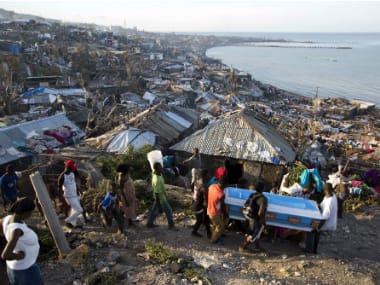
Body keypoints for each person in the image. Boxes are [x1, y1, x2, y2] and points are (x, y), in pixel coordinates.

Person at [0, 197, 43, 285]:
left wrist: (6, 237)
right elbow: (5, 255)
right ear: (26, 212)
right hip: (25, 269)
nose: (30, 215)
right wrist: (19, 256)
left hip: (16, 268)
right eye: (31, 212)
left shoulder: (7, 219)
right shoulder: (17, 229)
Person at [302, 182, 338, 253]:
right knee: (315, 229)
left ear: (325, 190)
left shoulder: (330, 201)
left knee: (311, 228)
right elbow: (322, 205)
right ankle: (314, 250)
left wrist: (318, 227)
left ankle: (309, 249)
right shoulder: (332, 195)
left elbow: (325, 217)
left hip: (327, 222)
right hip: (326, 219)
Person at [146, 162, 177, 230]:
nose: (162, 168)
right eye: (160, 168)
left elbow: (155, 169)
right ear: (157, 169)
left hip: (159, 197)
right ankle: (171, 226)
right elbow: (157, 194)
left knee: (154, 211)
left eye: (161, 167)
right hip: (161, 199)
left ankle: (149, 223)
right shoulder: (157, 180)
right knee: (169, 210)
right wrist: (160, 206)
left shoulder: (155, 174)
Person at [239, 181, 268, 252]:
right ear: (263, 188)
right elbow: (261, 212)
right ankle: (243, 247)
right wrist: (263, 221)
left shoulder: (252, 195)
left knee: (256, 232)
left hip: (248, 216)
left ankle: (257, 247)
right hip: (254, 218)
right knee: (253, 234)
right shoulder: (263, 199)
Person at [58, 160, 83, 228]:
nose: (73, 170)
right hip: (69, 197)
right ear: (67, 167)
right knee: (80, 210)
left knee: (74, 210)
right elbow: (59, 188)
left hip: (74, 195)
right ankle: (67, 221)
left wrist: (79, 190)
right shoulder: (62, 177)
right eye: (72, 169)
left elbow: (74, 183)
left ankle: (72, 224)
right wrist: (60, 199)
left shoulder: (72, 174)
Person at [207, 175, 228, 245]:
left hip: (209, 209)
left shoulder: (211, 186)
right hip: (215, 212)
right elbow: (222, 206)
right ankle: (213, 240)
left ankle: (215, 236)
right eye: (226, 186)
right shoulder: (221, 194)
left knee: (214, 225)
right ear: (224, 185)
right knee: (220, 226)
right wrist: (225, 213)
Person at [191, 169, 211, 238]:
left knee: (205, 219)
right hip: (199, 205)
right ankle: (194, 232)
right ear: (205, 176)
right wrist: (208, 207)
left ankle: (209, 233)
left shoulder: (197, 182)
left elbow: (193, 190)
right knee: (201, 220)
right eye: (208, 175)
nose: (209, 176)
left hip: (195, 203)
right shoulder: (204, 187)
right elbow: (206, 199)